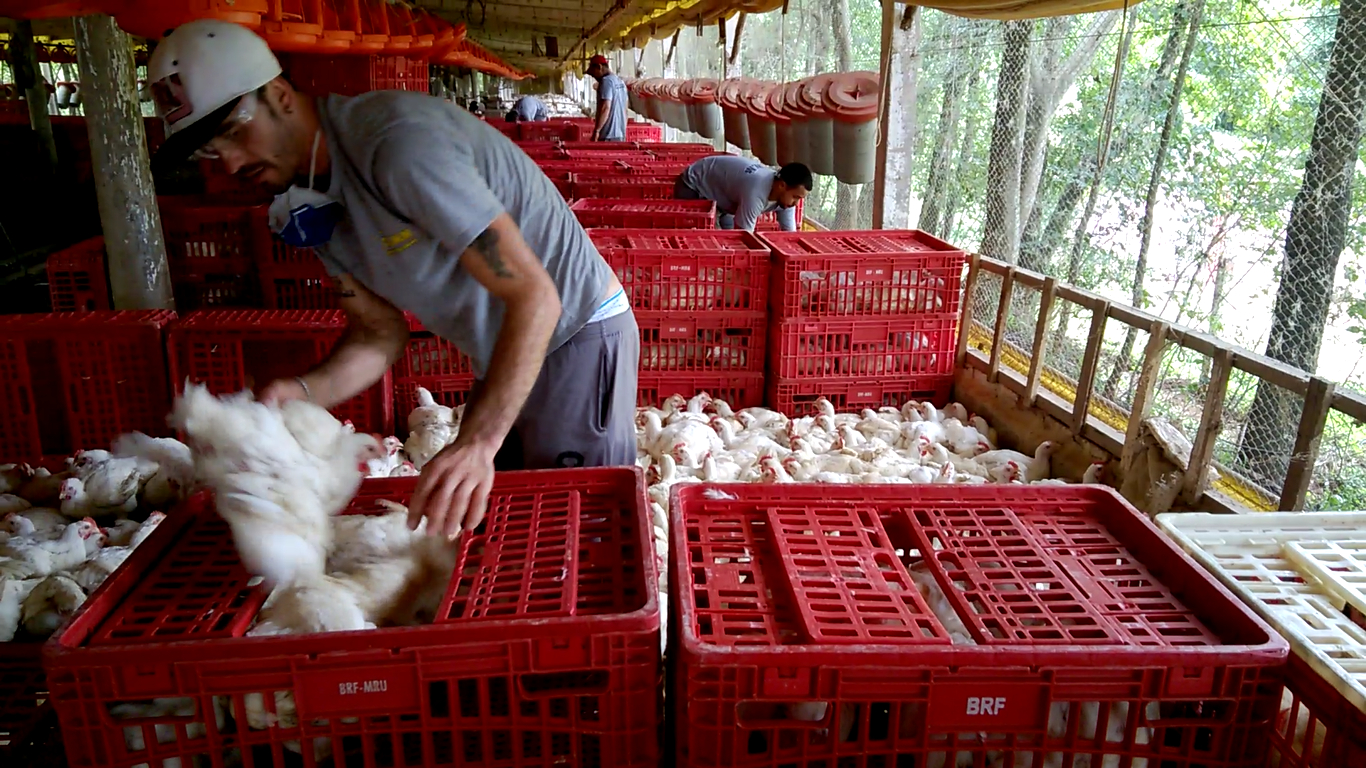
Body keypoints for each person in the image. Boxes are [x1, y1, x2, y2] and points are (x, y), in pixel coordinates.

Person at [147, 20, 639, 539]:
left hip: (573, 336)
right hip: (509, 350)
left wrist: (476, 443)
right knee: (517, 532)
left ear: (279, 95)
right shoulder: (312, 201)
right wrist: (301, 391)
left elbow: (536, 296)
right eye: (206, 149)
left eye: (232, 129)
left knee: (580, 535)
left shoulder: (396, 147)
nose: (227, 160)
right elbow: (378, 333)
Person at [675, 156, 811, 232]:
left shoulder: (785, 198)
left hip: (723, 199)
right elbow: (743, 237)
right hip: (694, 185)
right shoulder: (756, 192)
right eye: (795, 197)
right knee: (707, 239)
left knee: (726, 241)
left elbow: (789, 236)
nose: (796, 203)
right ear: (782, 185)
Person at [585, 54, 627, 142]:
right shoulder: (620, 82)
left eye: (593, 73)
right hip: (620, 133)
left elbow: (605, 108)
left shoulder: (606, 81)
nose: (593, 77)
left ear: (599, 67)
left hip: (608, 135)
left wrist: (597, 131)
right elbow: (625, 108)